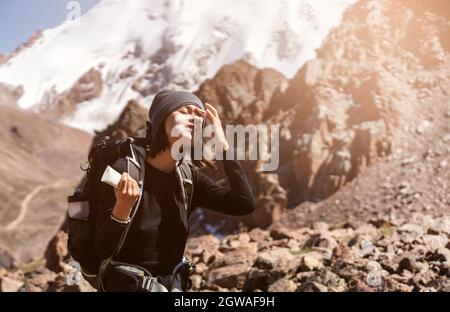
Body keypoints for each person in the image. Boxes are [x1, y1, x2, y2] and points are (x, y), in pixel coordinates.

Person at [94, 89, 256, 291]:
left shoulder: (187, 179)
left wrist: (224, 147)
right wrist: (122, 209)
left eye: (199, 116)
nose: (194, 119)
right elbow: (102, 251)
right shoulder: (125, 170)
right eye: (185, 111)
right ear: (162, 119)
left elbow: (244, 204)